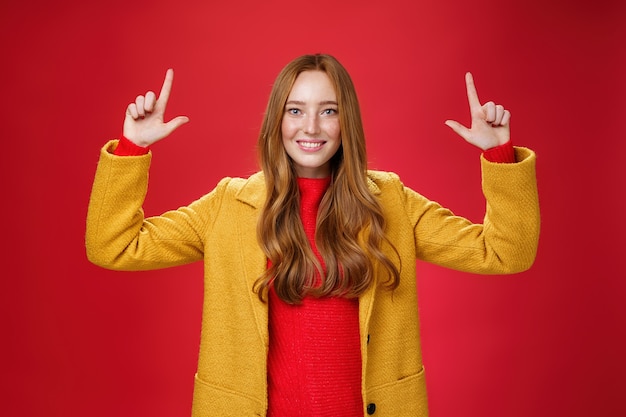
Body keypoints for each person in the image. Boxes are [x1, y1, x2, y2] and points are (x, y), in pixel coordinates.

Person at [86, 54, 539, 417]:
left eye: (329, 111)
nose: (311, 127)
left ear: (347, 123)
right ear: (277, 121)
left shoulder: (391, 201)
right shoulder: (230, 204)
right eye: (295, 110)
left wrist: (499, 154)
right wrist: (133, 147)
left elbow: (503, 252)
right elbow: (114, 245)